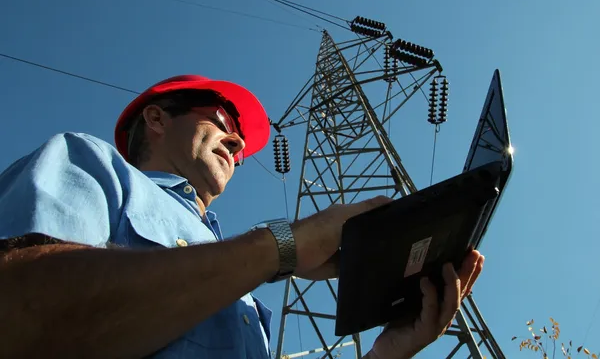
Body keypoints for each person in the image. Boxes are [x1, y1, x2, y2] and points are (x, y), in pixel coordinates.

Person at [0, 75, 484, 358]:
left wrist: (387, 352)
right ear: (157, 118)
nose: (236, 143)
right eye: (223, 122)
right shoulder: (88, 163)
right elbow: (18, 315)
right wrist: (282, 246)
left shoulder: (242, 289)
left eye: (241, 144)